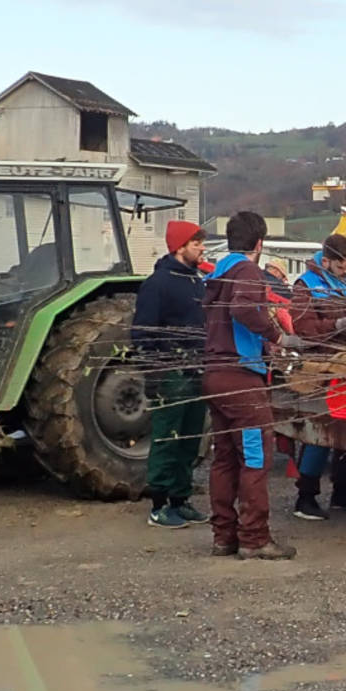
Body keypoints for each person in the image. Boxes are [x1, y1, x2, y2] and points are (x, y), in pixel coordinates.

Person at [203, 210, 307, 559]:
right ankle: (254, 538)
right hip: (239, 377)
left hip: (215, 371)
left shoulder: (218, 270)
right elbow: (243, 309)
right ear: (259, 243)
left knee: (225, 459)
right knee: (255, 455)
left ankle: (224, 536)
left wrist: (264, 345)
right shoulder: (246, 270)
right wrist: (277, 335)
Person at [288, 233, 346, 520]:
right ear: (325, 261)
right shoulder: (306, 287)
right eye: (341, 267)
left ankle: (343, 490)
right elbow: (304, 328)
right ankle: (306, 495)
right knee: (322, 428)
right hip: (326, 364)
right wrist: (336, 324)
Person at [131, 221, 210, 530]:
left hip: (196, 368)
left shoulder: (196, 280)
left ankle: (181, 498)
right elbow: (143, 330)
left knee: (190, 436)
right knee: (167, 437)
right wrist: (153, 370)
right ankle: (159, 505)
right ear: (179, 247)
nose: (202, 248)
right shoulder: (158, 284)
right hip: (171, 370)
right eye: (196, 243)